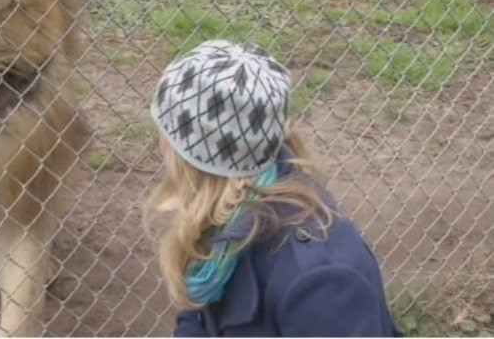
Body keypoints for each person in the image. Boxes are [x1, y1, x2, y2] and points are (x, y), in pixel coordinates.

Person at [146, 40, 402, 337]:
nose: (159, 142)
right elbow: (198, 321)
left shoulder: (320, 280)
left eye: (164, 130)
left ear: (190, 155)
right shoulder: (231, 215)